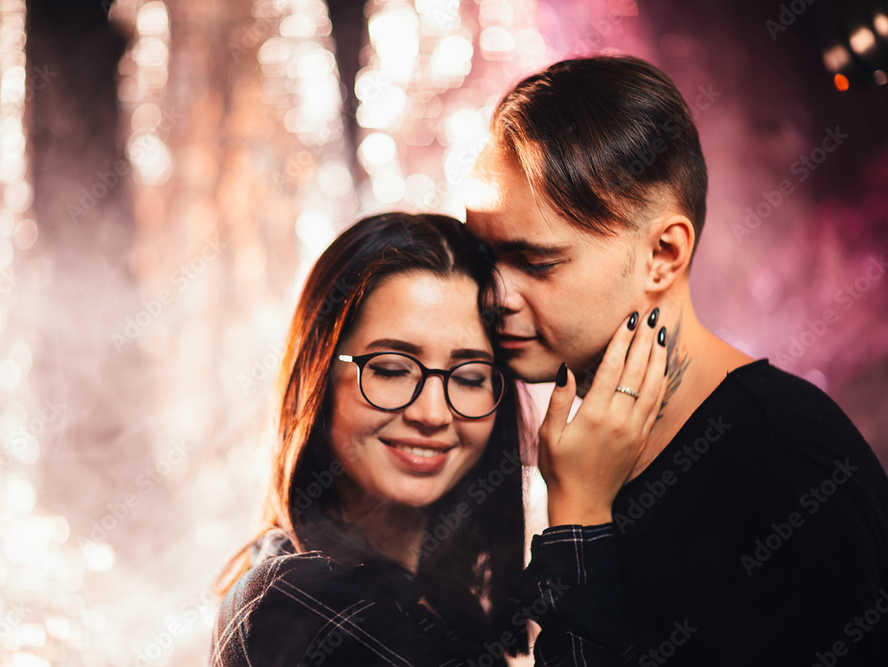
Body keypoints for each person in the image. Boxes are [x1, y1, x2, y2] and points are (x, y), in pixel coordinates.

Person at [465, 54, 888, 665]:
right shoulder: (597, 451)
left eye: (536, 262)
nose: (496, 295)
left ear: (663, 253)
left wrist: (580, 522)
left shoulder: (785, 471)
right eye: (484, 257)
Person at [210, 212, 667, 666]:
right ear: (319, 377)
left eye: (468, 377)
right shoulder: (294, 605)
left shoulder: (447, 599)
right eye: (390, 369)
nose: (431, 413)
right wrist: (580, 516)